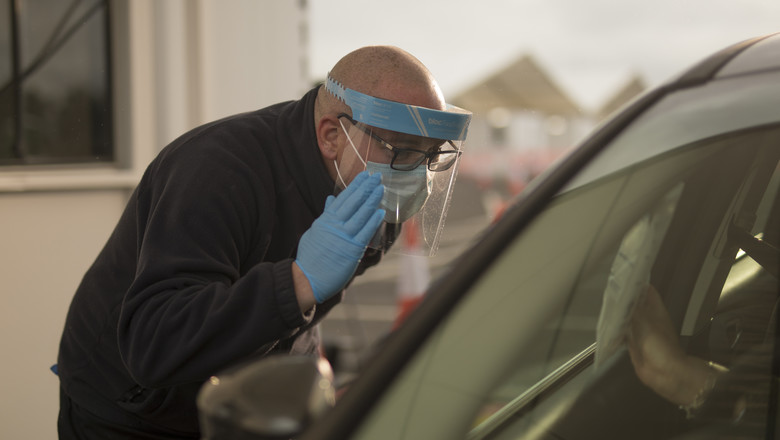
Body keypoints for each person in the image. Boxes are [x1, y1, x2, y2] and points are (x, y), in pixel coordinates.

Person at [56, 45, 471, 439]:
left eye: (432, 156)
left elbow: (308, 304)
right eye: (402, 151)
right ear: (331, 135)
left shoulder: (376, 198)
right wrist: (294, 283)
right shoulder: (216, 171)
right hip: (130, 408)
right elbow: (154, 344)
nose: (420, 176)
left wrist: (308, 365)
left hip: (244, 395)